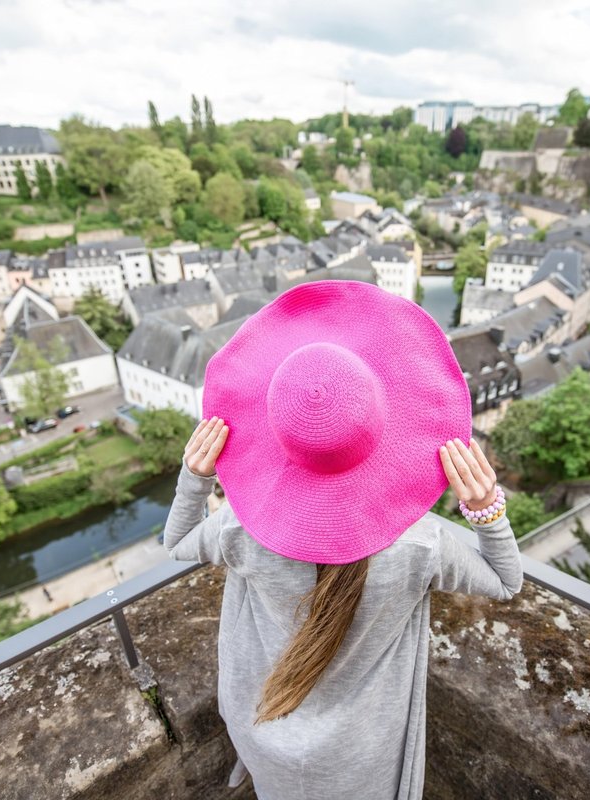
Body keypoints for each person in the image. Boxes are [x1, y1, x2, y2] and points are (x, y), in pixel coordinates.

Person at [163, 281, 523, 799]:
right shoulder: (419, 546)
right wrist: (484, 506)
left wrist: (195, 477)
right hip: (362, 756)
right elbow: (506, 580)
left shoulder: (243, 527)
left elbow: (177, 542)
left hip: (264, 730)